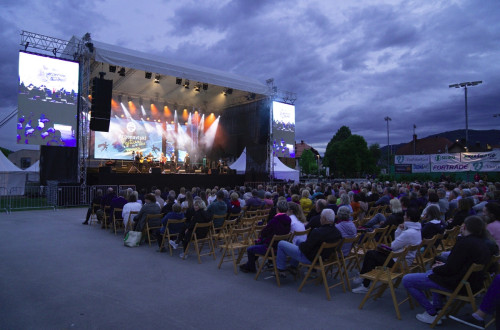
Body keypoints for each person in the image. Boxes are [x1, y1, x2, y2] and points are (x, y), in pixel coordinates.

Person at [402, 216, 492, 325]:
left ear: (464, 226)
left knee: (407, 280)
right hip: (469, 283)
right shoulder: (483, 243)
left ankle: (432, 312)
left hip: (456, 283)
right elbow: (458, 265)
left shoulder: (465, 243)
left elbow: (450, 269)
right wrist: (443, 266)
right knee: (431, 272)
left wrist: (438, 268)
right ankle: (438, 306)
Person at [352, 207, 422, 294]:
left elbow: (393, 246)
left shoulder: (408, 233)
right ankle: (365, 277)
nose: (404, 216)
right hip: (405, 259)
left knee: (371, 254)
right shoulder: (417, 230)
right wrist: (400, 229)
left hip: (399, 261)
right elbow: (398, 242)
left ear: (409, 218)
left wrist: (399, 230)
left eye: (405, 215)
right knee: (373, 255)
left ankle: (365, 282)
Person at [276, 208, 342, 276]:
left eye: (321, 217)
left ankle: (281, 269)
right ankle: (293, 266)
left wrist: (301, 245)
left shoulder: (318, 232)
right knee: (299, 240)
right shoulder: (337, 233)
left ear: (324, 219)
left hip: (310, 258)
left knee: (281, 243)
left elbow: (305, 248)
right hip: (323, 257)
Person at [239, 200, 291, 273]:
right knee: (257, 245)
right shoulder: (288, 221)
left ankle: (250, 267)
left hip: (271, 248)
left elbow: (263, 233)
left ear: (277, 209)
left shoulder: (275, 221)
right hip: (280, 247)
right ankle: (248, 265)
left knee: (250, 249)